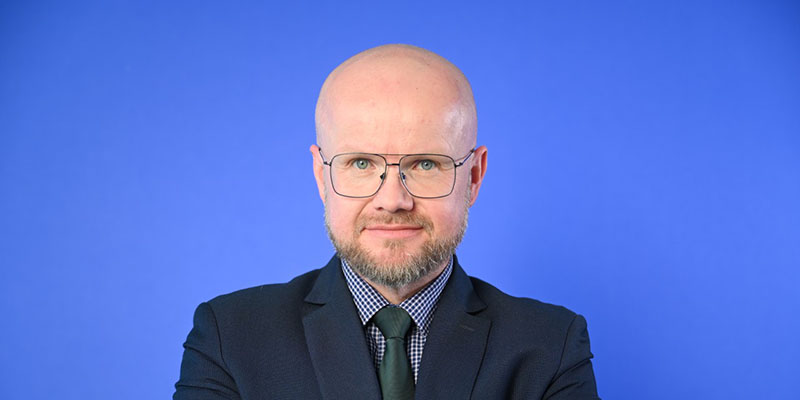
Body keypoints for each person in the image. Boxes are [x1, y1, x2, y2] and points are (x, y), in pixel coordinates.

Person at [174, 44, 599, 400]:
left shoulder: (551, 346)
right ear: (322, 177)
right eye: (361, 163)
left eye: (426, 164)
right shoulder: (230, 337)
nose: (393, 200)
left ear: (473, 177)